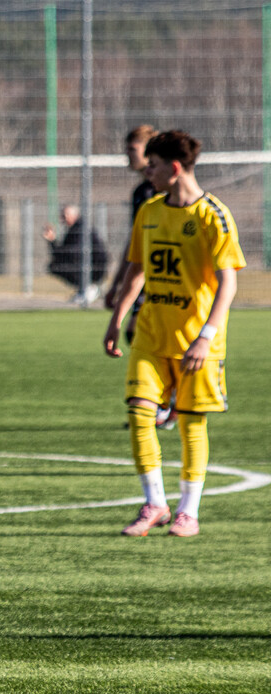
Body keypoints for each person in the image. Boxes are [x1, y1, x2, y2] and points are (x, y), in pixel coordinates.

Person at [103, 130, 246, 538]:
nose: (147, 172)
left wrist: (206, 336)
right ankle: (155, 503)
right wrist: (116, 320)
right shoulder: (149, 210)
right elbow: (136, 270)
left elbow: (228, 283)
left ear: (175, 167)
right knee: (139, 412)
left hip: (197, 342)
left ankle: (188, 511)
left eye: (153, 166)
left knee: (191, 423)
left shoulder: (213, 215)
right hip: (151, 334)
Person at [104, 125, 175, 429]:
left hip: (163, 278)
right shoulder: (141, 193)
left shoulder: (162, 191)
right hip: (143, 274)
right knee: (137, 333)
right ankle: (158, 402)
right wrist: (116, 283)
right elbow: (135, 245)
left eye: (133, 150)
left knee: (145, 333)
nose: (128, 156)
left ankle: (164, 404)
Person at [42, 204, 109, 305]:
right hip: (85, 264)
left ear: (74, 215)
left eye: (65, 215)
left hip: (94, 267)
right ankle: (83, 289)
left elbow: (71, 254)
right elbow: (63, 254)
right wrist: (52, 241)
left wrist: (53, 242)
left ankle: (89, 288)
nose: (62, 218)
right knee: (55, 266)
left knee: (59, 266)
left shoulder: (80, 229)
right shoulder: (73, 229)